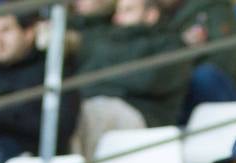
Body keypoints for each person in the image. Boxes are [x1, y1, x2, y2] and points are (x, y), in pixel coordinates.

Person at [0, 12, 80, 163]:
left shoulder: (53, 71)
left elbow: (61, 126)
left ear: (28, 33)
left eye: (6, 31)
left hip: (28, 154)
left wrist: (1, 113)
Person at [73, 0, 189, 137]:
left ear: (150, 15)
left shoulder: (171, 45)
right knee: (68, 111)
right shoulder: (106, 40)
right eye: (118, 11)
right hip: (94, 103)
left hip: (143, 115)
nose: (118, 17)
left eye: (128, 10)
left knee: (92, 115)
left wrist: (102, 77)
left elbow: (148, 80)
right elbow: (84, 77)